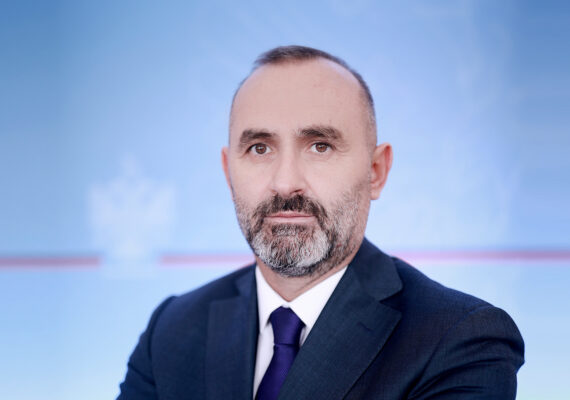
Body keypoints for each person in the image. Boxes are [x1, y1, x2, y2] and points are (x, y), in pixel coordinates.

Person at [117, 45, 524, 400]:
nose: (285, 182)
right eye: (259, 148)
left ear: (376, 172)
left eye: (320, 146)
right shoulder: (172, 329)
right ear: (228, 172)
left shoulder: (462, 340)